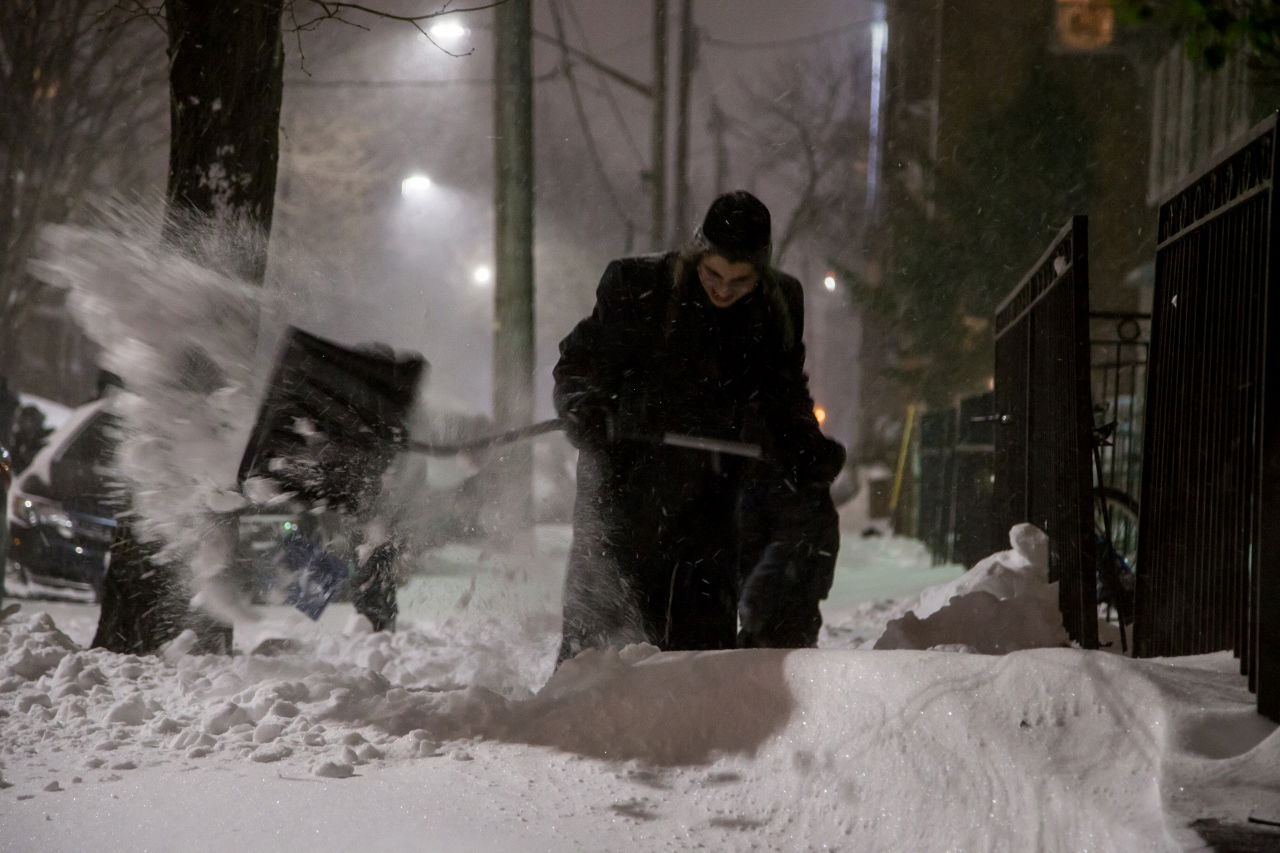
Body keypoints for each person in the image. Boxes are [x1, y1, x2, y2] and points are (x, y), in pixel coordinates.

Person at [553, 190, 844, 663]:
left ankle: (691, 725)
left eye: (740, 280)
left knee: (700, 637)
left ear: (761, 271)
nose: (724, 289)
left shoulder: (778, 306)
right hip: (625, 476)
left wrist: (802, 444)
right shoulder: (636, 286)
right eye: (713, 273)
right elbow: (581, 363)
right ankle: (589, 715)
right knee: (606, 630)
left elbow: (782, 391)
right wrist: (583, 404)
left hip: (711, 485)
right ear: (695, 253)